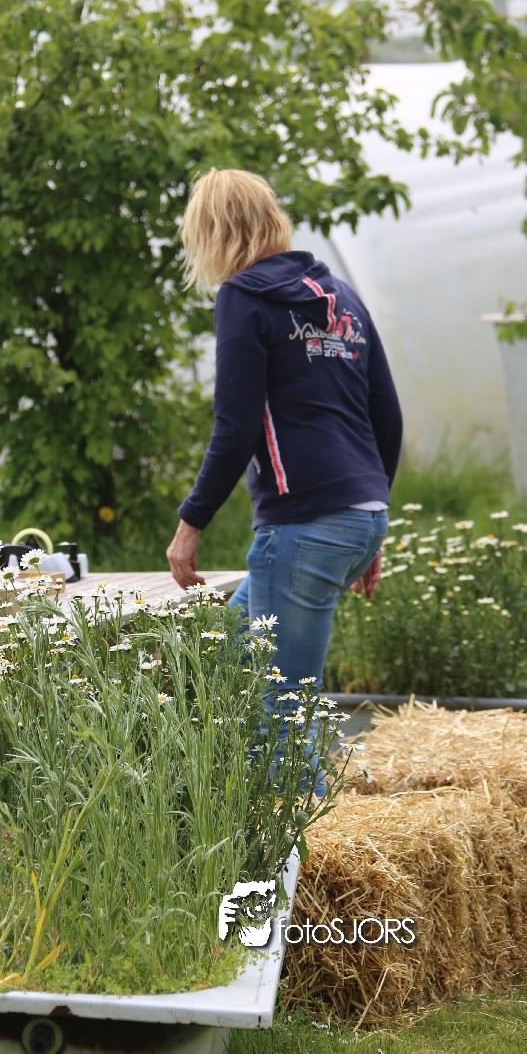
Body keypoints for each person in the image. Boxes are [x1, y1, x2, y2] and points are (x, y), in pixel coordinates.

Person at [166, 169, 402, 778]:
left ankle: (306, 833)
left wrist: (190, 524)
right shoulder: (343, 298)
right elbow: (387, 416)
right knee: (227, 664)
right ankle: (220, 803)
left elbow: (236, 426)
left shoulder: (244, 298)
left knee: (282, 716)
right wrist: (368, 519)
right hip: (358, 518)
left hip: (303, 527)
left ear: (215, 233)